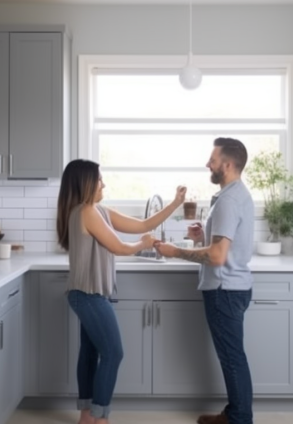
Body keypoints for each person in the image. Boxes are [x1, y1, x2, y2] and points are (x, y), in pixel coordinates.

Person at [56, 159, 186, 424]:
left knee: (90, 353)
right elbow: (119, 247)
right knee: (114, 353)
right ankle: (100, 418)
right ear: (86, 183)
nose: (104, 182)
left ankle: (86, 416)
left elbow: (142, 224)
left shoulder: (98, 210)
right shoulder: (86, 211)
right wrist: (143, 244)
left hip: (88, 294)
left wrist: (175, 204)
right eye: (99, 178)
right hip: (88, 294)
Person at [155, 138, 255, 424]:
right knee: (233, 357)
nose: (207, 164)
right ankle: (235, 413)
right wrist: (203, 237)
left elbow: (217, 256)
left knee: (233, 359)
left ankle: (240, 419)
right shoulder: (236, 195)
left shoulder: (228, 200)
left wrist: (176, 252)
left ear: (227, 164)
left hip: (224, 290)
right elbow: (225, 245)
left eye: (212, 159)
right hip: (235, 287)